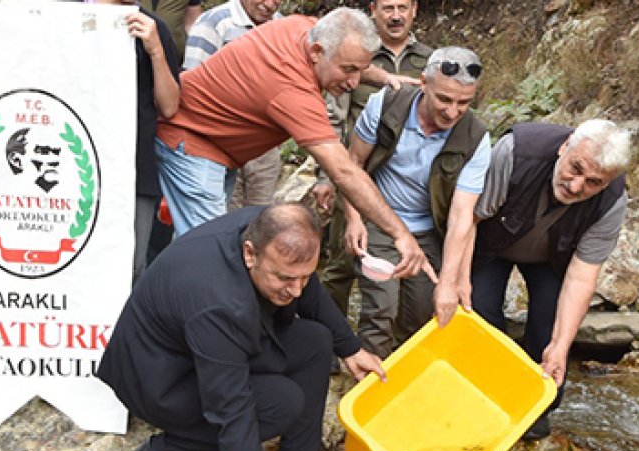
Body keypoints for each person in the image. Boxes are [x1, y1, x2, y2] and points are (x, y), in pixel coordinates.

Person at [98, 203, 385, 451]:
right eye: (283, 279)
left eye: (304, 277)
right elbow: (231, 412)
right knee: (282, 402)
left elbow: (304, 287)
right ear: (250, 254)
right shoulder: (218, 304)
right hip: (160, 378)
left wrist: (350, 348)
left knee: (315, 341)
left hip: (204, 347)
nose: (296, 291)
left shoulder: (270, 228)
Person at [154, 8, 433, 280]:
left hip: (220, 147)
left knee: (193, 247)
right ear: (316, 53)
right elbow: (344, 171)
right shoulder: (292, 89)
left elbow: (347, 56)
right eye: (348, 70)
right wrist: (399, 233)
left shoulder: (304, 28)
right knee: (210, 256)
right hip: (190, 144)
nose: (354, 82)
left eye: (360, 70)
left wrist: (384, 77)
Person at [445, 120, 631, 441]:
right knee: (480, 314)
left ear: (608, 182)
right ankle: (484, 395)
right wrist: (458, 280)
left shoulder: (612, 202)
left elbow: (581, 277)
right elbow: (469, 218)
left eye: (592, 182)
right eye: (575, 169)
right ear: (566, 146)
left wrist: (560, 346)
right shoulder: (517, 151)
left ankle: (535, 408)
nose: (576, 186)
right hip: (489, 244)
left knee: (550, 334)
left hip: (551, 259)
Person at [341, 47, 490, 357]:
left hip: (427, 231)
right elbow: (353, 164)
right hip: (379, 218)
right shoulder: (385, 104)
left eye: (463, 103)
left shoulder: (476, 138)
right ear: (423, 83)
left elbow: (462, 216)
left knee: (421, 315)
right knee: (381, 307)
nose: (452, 112)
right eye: (444, 100)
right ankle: (368, 386)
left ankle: (404, 387)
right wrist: (354, 220)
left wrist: (450, 281)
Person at [315, 0, 431, 315]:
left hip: (407, 186)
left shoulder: (431, 61)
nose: (395, 16)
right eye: (388, 8)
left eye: (402, 8)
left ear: (414, 9)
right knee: (342, 262)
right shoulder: (354, 55)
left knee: (405, 263)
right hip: (354, 173)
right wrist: (326, 176)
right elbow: (332, 118)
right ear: (374, 10)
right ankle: (331, 342)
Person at [95, 0, 180, 280]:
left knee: (130, 265)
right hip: (71, 157)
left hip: (134, 167)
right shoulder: (67, 13)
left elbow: (169, 106)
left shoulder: (153, 27)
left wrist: (155, 50)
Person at [182, 0, 282, 212]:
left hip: (265, 144)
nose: (270, 4)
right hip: (219, 141)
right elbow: (190, 89)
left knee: (261, 219)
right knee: (221, 218)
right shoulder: (215, 23)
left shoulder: (281, 28)